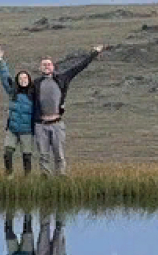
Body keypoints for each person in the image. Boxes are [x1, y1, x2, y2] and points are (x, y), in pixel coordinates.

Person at [29, 46, 105, 176]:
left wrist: (94, 54)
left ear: (53, 67)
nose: (46, 67)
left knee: (59, 153)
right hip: (40, 125)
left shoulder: (63, 78)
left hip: (57, 123)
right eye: (44, 65)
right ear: (40, 68)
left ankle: (61, 176)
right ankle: (45, 177)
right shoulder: (35, 83)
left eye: (48, 64)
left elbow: (79, 67)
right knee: (43, 154)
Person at [0, 46, 37, 177]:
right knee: (7, 152)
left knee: (27, 156)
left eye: (25, 78)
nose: (23, 80)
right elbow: (5, 77)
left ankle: (28, 178)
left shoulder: (34, 94)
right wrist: (0, 60)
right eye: (20, 79)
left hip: (27, 131)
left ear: (29, 80)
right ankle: (9, 176)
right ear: (17, 81)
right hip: (12, 129)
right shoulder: (13, 92)